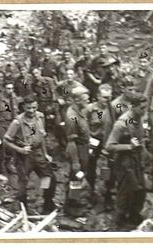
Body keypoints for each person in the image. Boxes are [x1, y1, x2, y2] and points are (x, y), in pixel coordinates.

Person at [3, 94, 56, 214]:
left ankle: (47, 204)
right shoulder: (17, 122)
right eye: (28, 108)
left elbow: (41, 136)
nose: (31, 111)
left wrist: (45, 153)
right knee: (23, 183)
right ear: (24, 108)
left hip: (38, 153)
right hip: (24, 156)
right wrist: (20, 150)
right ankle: (24, 210)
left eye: (34, 107)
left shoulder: (40, 117)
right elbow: (5, 141)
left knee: (49, 177)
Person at [106, 93, 148, 226]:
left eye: (145, 108)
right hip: (124, 163)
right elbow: (109, 146)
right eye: (141, 108)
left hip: (137, 160)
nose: (144, 111)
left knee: (140, 190)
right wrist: (129, 146)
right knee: (126, 191)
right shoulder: (121, 124)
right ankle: (119, 219)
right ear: (132, 107)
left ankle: (134, 214)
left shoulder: (138, 118)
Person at [86, 84, 115, 200]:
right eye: (104, 97)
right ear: (98, 96)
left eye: (109, 97)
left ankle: (106, 190)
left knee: (108, 168)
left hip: (107, 141)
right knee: (90, 166)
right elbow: (84, 126)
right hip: (93, 141)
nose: (107, 100)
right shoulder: (89, 109)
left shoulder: (112, 108)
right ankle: (90, 190)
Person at [64, 86, 90, 214]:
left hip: (83, 149)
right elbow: (71, 141)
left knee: (78, 176)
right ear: (77, 100)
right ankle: (70, 206)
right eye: (86, 99)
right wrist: (75, 162)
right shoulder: (72, 117)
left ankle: (74, 199)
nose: (88, 101)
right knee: (75, 176)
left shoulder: (81, 110)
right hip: (77, 151)